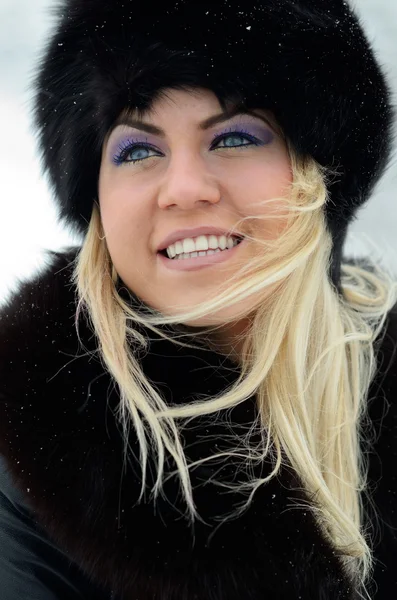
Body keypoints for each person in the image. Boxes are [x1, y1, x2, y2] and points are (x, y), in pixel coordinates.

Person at [0, 0, 396, 598]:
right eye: (137, 150)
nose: (183, 189)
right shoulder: (26, 460)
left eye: (234, 137)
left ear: (323, 174)